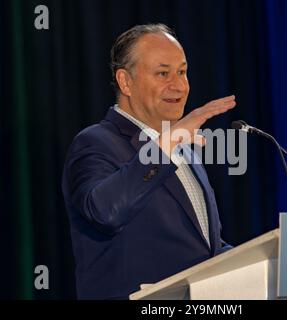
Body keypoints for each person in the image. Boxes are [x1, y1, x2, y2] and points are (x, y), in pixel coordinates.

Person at [62, 24, 236, 300]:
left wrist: (264, 259)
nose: (179, 85)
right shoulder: (95, 143)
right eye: (163, 73)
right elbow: (105, 212)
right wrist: (167, 144)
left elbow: (203, 248)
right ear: (126, 82)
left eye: (182, 71)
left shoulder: (184, 149)